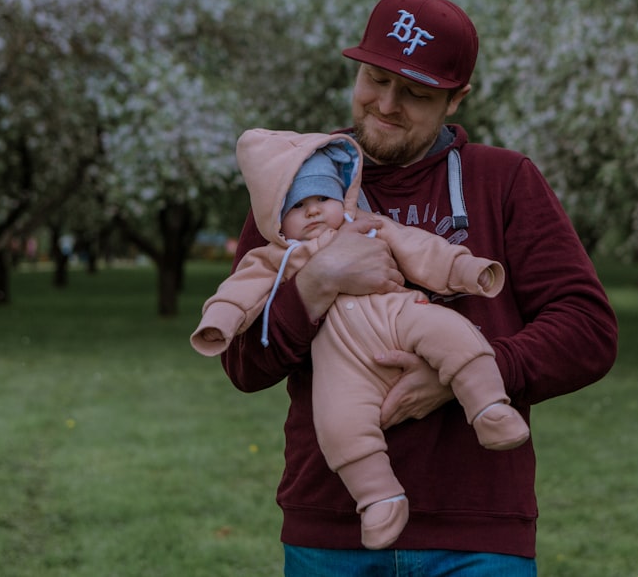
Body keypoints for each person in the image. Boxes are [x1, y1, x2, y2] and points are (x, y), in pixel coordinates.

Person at [220, 0, 618, 576]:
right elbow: (243, 364)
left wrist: (467, 372)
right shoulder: (291, 186)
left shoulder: (504, 181)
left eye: (416, 93)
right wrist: (317, 283)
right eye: (374, 79)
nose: (386, 105)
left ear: (457, 99)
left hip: (477, 529)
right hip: (331, 527)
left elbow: (587, 330)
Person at [191, 128, 531, 549]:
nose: (313, 212)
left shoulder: (371, 227)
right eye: (297, 205)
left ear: (343, 199)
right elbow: (239, 292)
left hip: (399, 315)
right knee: (337, 424)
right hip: (340, 359)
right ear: (275, 218)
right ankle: (379, 499)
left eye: (323, 199)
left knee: (452, 333)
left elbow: (423, 250)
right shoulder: (275, 258)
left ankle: (488, 408)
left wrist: (467, 270)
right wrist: (219, 322)